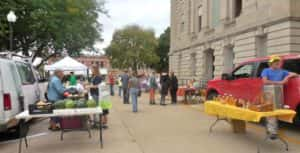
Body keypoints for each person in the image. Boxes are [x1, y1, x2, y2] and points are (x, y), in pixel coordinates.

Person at [261, 55, 297, 139]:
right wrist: (280, 82)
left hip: (279, 93)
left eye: (278, 62)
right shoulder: (266, 70)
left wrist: (287, 77)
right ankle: (272, 131)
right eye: (275, 62)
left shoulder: (282, 71)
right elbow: (265, 81)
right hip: (268, 92)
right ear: (270, 63)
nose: (277, 63)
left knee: (277, 110)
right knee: (270, 111)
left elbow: (295, 74)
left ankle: (271, 129)